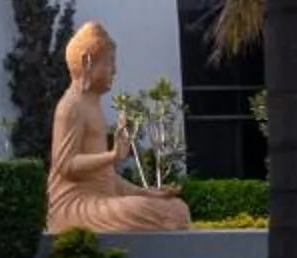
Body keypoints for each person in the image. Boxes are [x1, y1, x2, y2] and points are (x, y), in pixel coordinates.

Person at [46, 21, 191, 234]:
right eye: (109, 63)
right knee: (164, 213)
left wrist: (147, 193)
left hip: (102, 200)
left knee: (177, 209)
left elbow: (106, 178)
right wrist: (112, 156)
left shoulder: (92, 105)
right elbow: (66, 165)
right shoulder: (70, 107)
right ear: (87, 61)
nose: (115, 71)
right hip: (75, 205)